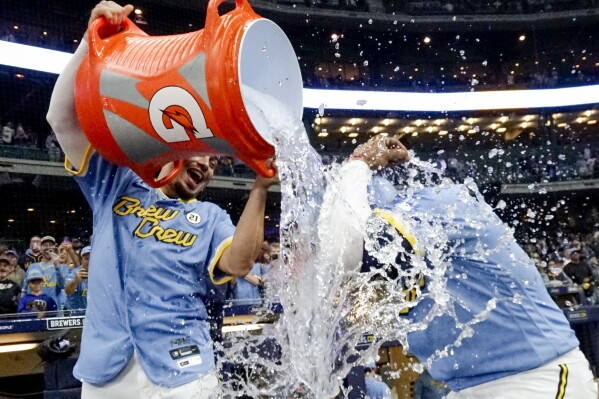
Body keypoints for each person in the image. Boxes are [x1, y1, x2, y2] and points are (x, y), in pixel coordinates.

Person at [46, 2, 278, 397]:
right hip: (106, 376)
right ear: (177, 139)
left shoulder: (210, 217)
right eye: (201, 152)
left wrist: (260, 187)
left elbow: (239, 262)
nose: (206, 164)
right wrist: (91, 41)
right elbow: (60, 118)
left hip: (183, 373)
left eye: (214, 161)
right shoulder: (116, 182)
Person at [325, 135, 597, 398]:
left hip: (534, 377)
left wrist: (356, 164)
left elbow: (347, 249)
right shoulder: (403, 253)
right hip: (469, 386)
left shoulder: (438, 205)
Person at [23, 236, 70, 312]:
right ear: (40, 248)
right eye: (45, 245)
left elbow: (62, 286)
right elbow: (24, 290)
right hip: (33, 311)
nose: (48, 247)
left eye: (50, 245)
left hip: (54, 311)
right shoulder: (32, 266)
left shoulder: (63, 268)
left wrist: (57, 266)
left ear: (55, 248)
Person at [64, 246, 91, 312]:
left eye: (92, 258)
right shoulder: (74, 272)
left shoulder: (101, 274)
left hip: (94, 314)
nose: (90, 261)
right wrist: (75, 281)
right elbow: (68, 291)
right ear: (81, 261)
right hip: (75, 314)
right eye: (86, 259)